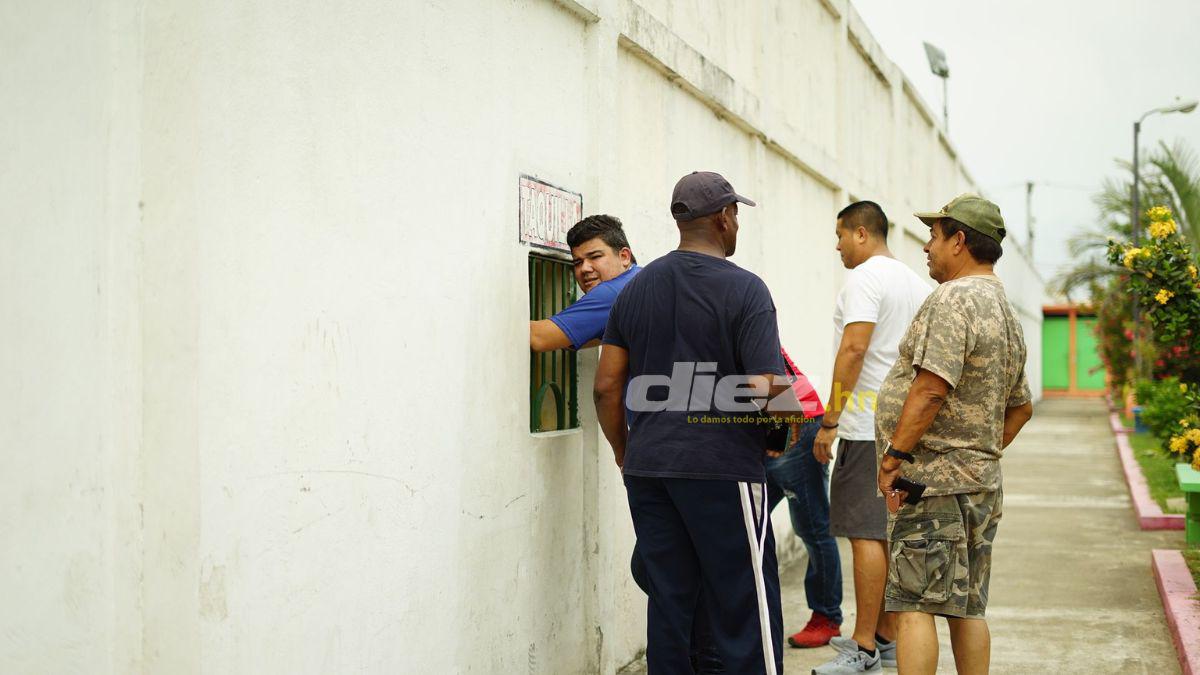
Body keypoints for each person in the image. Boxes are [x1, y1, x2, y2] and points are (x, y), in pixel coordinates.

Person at [594, 171, 796, 675]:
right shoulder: (746, 289)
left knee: (668, 604)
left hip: (649, 468)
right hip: (723, 470)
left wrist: (625, 451)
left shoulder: (634, 291)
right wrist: (778, 436)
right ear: (725, 218)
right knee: (744, 604)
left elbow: (606, 386)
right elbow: (768, 384)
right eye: (736, 215)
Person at [874, 194, 1033, 675]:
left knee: (913, 604)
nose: (927, 246)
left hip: (932, 484)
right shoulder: (1004, 310)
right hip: (980, 484)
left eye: (934, 236)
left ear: (959, 240)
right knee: (967, 606)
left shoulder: (952, 299)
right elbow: (1020, 408)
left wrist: (893, 459)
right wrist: (976, 454)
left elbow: (929, 390)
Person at [812, 201, 931, 674]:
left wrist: (830, 420)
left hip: (867, 428)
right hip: (906, 430)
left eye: (840, 235)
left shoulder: (864, 279)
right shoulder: (916, 285)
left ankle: (861, 648)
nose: (837, 245)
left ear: (861, 234)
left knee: (865, 534)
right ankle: (882, 639)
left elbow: (855, 347)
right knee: (887, 533)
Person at [767, 349, 844, 649]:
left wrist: (779, 434)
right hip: (771, 430)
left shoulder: (739, 309)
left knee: (812, 527)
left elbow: (769, 371)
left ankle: (827, 618)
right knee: (747, 525)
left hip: (795, 426)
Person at [529, 215, 640, 353]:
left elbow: (538, 338)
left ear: (624, 256)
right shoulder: (640, 278)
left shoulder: (612, 293)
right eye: (577, 262)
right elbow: (581, 339)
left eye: (595, 257)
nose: (584, 268)